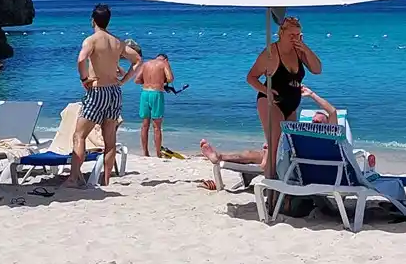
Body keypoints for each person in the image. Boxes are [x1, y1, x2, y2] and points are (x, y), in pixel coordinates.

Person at [245, 15, 322, 175]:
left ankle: (280, 183)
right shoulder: (271, 53)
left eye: (298, 35)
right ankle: (271, 185)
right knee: (274, 147)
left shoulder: (299, 51)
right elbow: (251, 77)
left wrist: (305, 47)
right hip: (271, 102)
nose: (295, 38)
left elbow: (317, 69)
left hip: (291, 105)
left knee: (288, 148)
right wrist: (266, 91)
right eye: (291, 35)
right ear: (281, 33)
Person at [73, 3, 139, 187]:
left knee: (79, 136)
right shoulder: (117, 42)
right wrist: (124, 80)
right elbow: (137, 60)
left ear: (93, 20)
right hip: (114, 91)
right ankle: (106, 179)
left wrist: (84, 79)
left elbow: (81, 59)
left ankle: (73, 178)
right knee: (110, 140)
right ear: (108, 21)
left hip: (98, 90)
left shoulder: (91, 40)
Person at [198, 88, 338, 171]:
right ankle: (219, 157)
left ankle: (266, 161)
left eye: (319, 120)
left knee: (268, 153)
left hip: (305, 168)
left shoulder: (332, 136)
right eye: (313, 120)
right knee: (252, 153)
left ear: (328, 124)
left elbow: (332, 111)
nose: (314, 121)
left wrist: (312, 94)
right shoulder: (304, 136)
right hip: (294, 163)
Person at [131, 50, 174, 158]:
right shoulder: (164, 63)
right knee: (157, 127)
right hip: (156, 94)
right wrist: (162, 81)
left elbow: (136, 80)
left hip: (145, 93)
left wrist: (147, 81)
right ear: (166, 59)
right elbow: (170, 78)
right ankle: (158, 153)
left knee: (145, 125)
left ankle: (145, 152)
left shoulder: (146, 64)